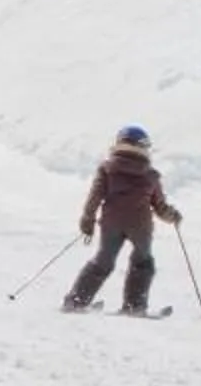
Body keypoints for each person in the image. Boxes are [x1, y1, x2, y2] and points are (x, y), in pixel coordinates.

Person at [65, 125, 182, 315]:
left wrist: (88, 219)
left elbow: (95, 197)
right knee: (143, 261)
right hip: (140, 226)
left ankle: (76, 300)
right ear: (144, 147)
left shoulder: (107, 168)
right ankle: (134, 305)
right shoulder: (150, 175)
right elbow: (160, 206)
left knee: (103, 260)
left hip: (111, 223)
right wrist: (173, 216)